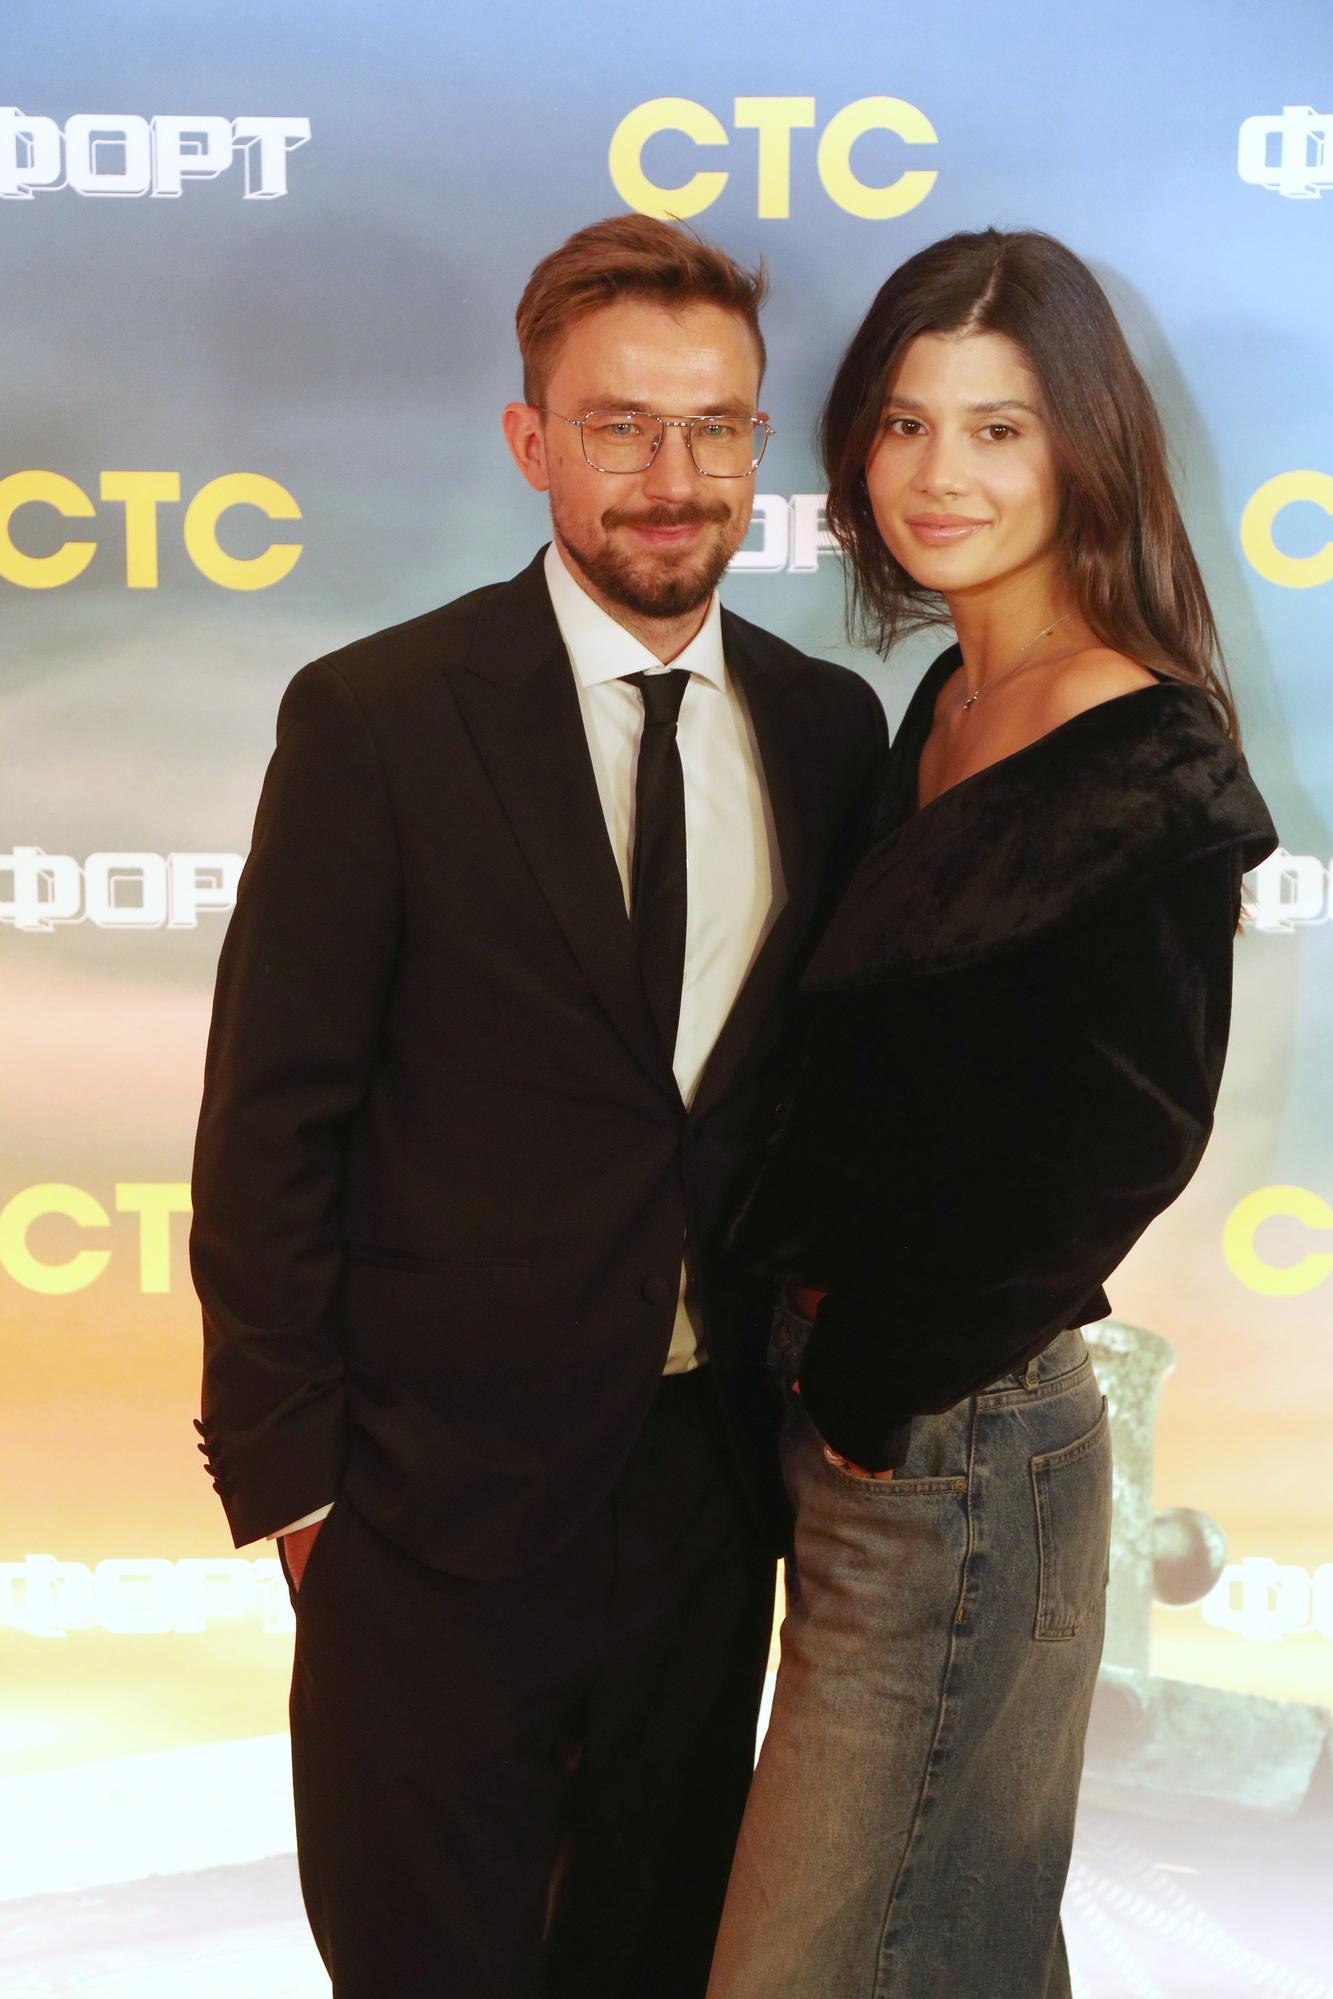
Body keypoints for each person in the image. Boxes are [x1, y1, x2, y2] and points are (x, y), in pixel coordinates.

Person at [188, 213, 887, 1999]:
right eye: (619, 425)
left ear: (759, 447)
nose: (673, 476)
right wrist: (299, 1492)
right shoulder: (379, 719)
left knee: (658, 1957)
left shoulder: (827, 730)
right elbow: (270, 1122)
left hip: (707, 1494)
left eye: (714, 427)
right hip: (424, 1500)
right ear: (530, 442)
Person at [705, 229, 1278, 1999]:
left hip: (954, 1437)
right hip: (851, 1420)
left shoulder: (1141, 754)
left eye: (997, 429)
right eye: (903, 424)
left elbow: (1126, 1137)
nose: (937, 473)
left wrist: (877, 1377)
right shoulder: (946, 701)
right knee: (948, 1946)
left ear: (1082, 450)